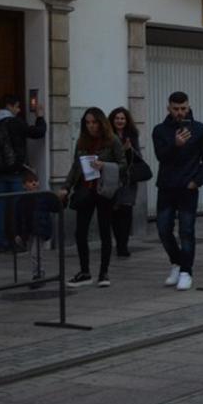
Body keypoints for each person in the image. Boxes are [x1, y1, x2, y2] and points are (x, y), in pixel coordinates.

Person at [152, 91, 203, 291]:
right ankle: (177, 262)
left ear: (188, 107)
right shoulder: (160, 130)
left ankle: (186, 271)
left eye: (183, 108)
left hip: (188, 187)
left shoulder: (199, 129)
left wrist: (198, 180)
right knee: (163, 229)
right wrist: (175, 144)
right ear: (169, 109)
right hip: (166, 186)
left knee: (186, 230)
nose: (180, 112)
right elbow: (161, 155)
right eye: (176, 109)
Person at [60, 108, 126, 287]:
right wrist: (66, 187)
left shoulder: (112, 141)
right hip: (85, 189)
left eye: (94, 122)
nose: (91, 126)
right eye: (88, 123)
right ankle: (84, 271)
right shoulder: (82, 142)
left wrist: (103, 164)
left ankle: (104, 273)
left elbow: (123, 165)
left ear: (101, 123)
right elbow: (75, 167)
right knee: (80, 232)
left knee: (105, 230)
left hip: (104, 190)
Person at [0, 94, 46, 252]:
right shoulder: (14, 122)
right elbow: (38, 132)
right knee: (17, 208)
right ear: (10, 106)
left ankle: (0, 242)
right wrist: (40, 117)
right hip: (14, 171)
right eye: (17, 106)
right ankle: (17, 241)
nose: (19, 110)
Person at [15, 167, 60, 286]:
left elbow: (56, 207)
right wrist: (18, 233)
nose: (34, 183)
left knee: (36, 253)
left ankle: (39, 275)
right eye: (30, 182)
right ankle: (37, 273)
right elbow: (19, 218)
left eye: (35, 181)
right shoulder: (22, 200)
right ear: (24, 185)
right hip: (29, 231)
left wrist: (60, 199)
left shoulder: (43, 196)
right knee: (33, 253)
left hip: (41, 229)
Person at [108, 107, 140, 257]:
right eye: (117, 118)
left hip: (128, 180)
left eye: (122, 118)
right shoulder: (108, 136)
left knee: (126, 211)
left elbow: (137, 157)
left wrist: (129, 150)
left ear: (126, 121)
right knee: (115, 212)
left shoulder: (132, 135)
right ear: (112, 120)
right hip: (113, 178)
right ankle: (118, 242)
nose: (120, 121)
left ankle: (123, 245)